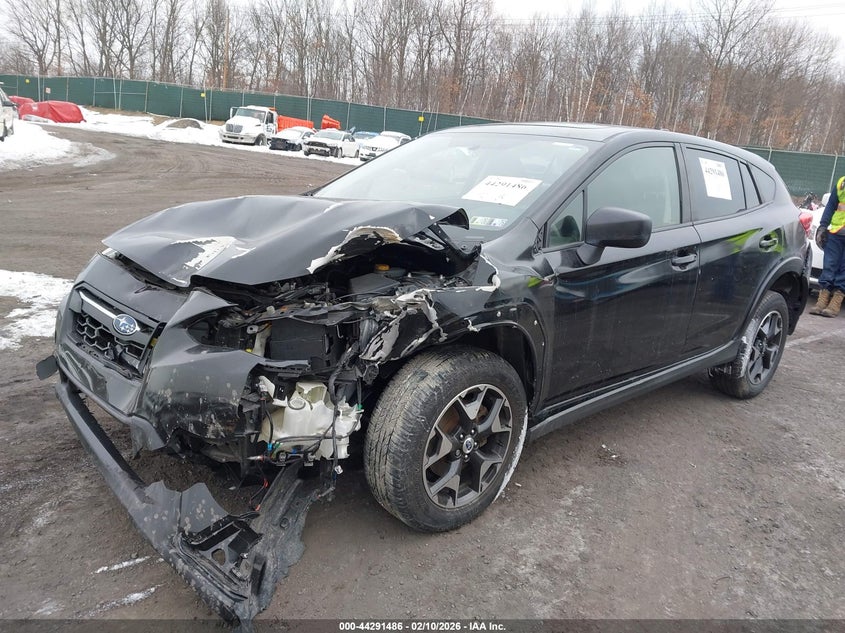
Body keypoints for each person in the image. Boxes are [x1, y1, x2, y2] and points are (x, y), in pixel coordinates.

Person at [810, 177, 845, 317]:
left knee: (844, 269)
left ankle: (836, 301)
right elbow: (831, 205)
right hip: (836, 233)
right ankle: (822, 300)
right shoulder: (842, 183)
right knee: (829, 265)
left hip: (837, 233)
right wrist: (823, 226)